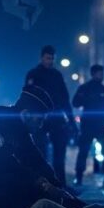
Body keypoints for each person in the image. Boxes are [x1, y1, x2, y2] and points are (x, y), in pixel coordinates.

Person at [25, 45, 75, 184]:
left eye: (52, 58)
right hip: (39, 118)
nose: (50, 61)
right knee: (40, 153)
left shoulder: (57, 75)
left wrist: (71, 121)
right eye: (48, 58)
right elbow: (27, 96)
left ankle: (61, 185)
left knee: (60, 153)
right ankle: (41, 184)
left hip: (56, 117)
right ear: (42, 58)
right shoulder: (33, 74)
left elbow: (65, 98)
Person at [72, 64, 104, 186]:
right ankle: (78, 177)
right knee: (83, 151)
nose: (101, 76)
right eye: (99, 73)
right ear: (93, 74)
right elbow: (75, 103)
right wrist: (83, 98)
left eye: (102, 73)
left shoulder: (103, 90)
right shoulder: (85, 88)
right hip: (88, 124)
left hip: (100, 124)